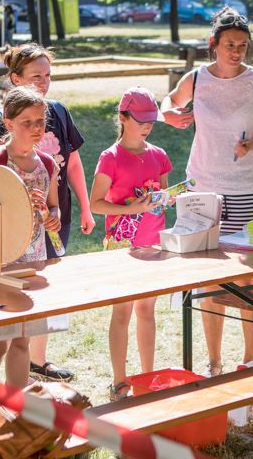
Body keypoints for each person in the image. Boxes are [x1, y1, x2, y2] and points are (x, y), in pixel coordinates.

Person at [161, 7, 253, 375]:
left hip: (248, 191)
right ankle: (213, 363)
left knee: (247, 276)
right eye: (230, 44)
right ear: (213, 43)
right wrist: (169, 114)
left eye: (243, 46)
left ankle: (251, 357)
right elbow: (168, 101)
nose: (237, 52)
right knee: (209, 278)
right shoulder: (196, 78)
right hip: (203, 189)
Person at [0, 43, 96, 383]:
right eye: (35, 76)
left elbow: (67, 172)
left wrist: (60, 211)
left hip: (38, 247)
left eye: (48, 75)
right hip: (4, 254)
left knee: (29, 326)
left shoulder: (48, 151)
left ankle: (30, 375)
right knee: (1, 338)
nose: (43, 82)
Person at [0, 86, 61, 433]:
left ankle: (11, 413)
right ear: (8, 123)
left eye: (40, 121)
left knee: (22, 341)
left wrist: (50, 217)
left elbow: (53, 209)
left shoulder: (48, 164)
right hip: (0, 267)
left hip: (33, 264)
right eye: (27, 122)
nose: (36, 128)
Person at [89, 87, 171, 401]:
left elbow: (163, 196)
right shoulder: (110, 157)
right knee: (122, 313)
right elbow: (96, 203)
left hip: (153, 243)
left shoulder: (159, 155)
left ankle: (148, 378)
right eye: (141, 120)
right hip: (121, 247)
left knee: (147, 310)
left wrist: (166, 199)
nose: (147, 126)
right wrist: (130, 208)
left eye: (151, 120)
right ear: (123, 118)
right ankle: (119, 382)